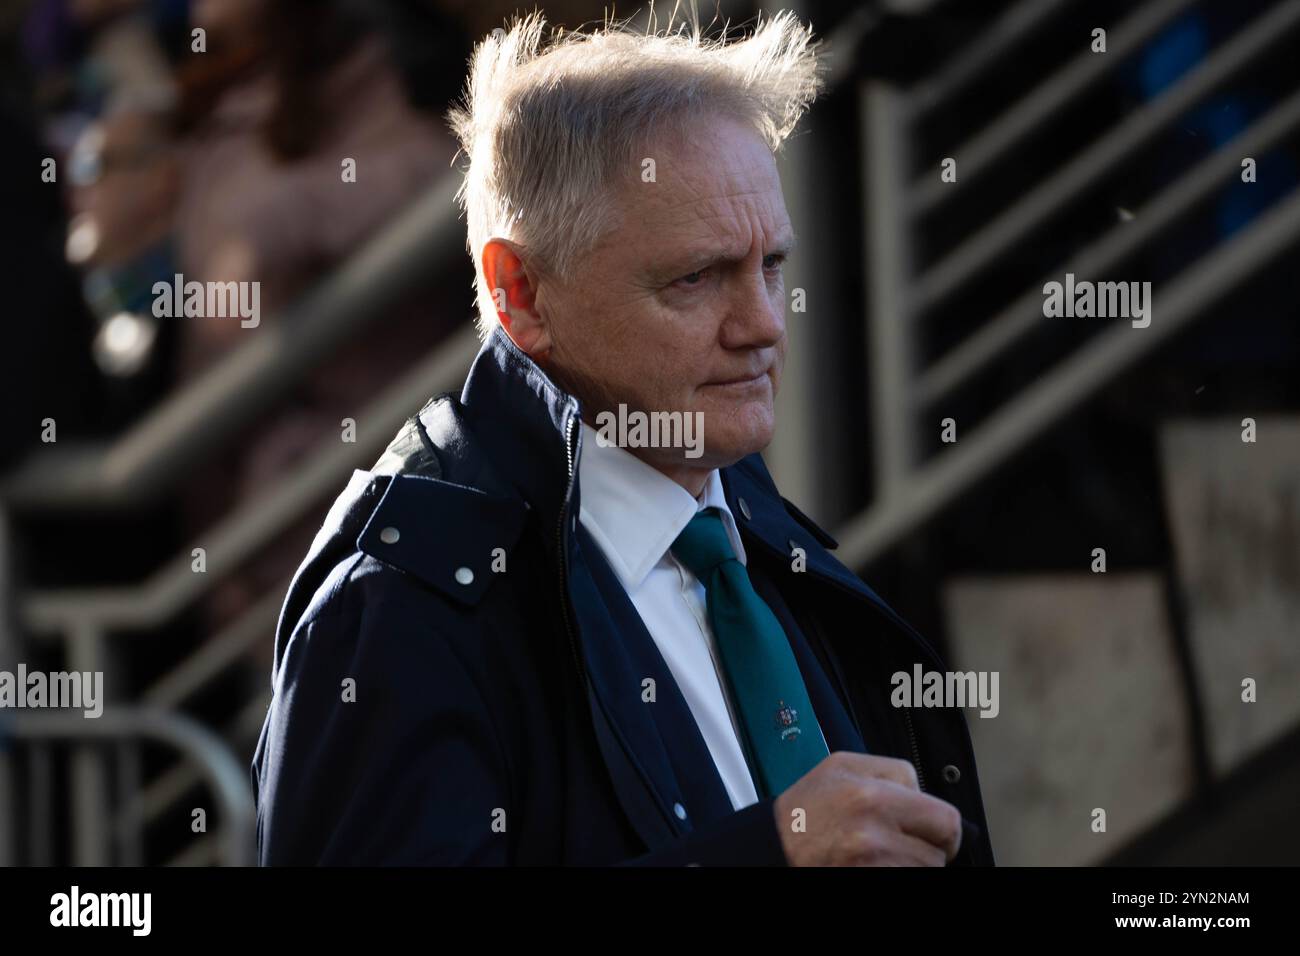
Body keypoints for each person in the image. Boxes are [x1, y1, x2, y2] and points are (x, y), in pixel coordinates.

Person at [252, 11, 995, 867]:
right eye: (695, 277)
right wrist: (771, 855)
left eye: (773, 267)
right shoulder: (397, 608)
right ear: (520, 291)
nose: (763, 325)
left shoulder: (749, 530)